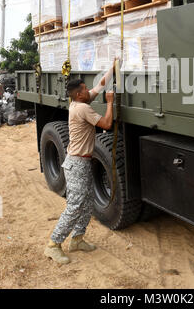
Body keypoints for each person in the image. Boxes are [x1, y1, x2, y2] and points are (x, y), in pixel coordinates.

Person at [44, 63, 116, 264]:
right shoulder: (82, 108)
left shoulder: (79, 102)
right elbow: (107, 124)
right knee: (75, 205)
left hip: (82, 162)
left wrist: (113, 67)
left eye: (86, 88)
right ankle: (53, 245)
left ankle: (77, 239)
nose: (87, 90)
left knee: (86, 202)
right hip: (76, 164)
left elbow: (99, 85)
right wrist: (110, 103)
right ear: (78, 95)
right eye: (84, 89)